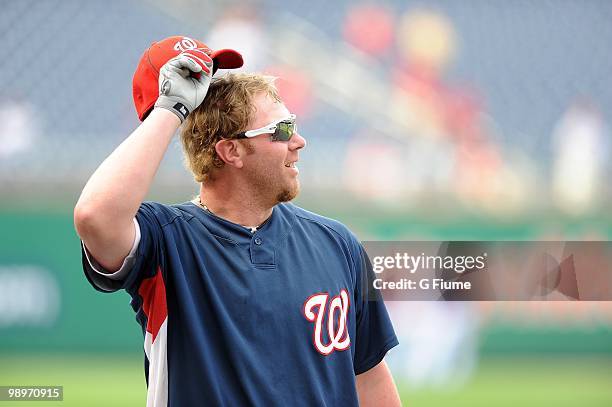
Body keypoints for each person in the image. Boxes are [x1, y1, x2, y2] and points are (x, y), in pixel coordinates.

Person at [74, 35, 400, 407]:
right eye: (282, 130)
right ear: (230, 151)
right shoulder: (167, 240)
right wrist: (170, 109)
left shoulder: (336, 242)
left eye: (292, 124)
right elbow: (94, 216)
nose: (299, 141)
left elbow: (369, 377)